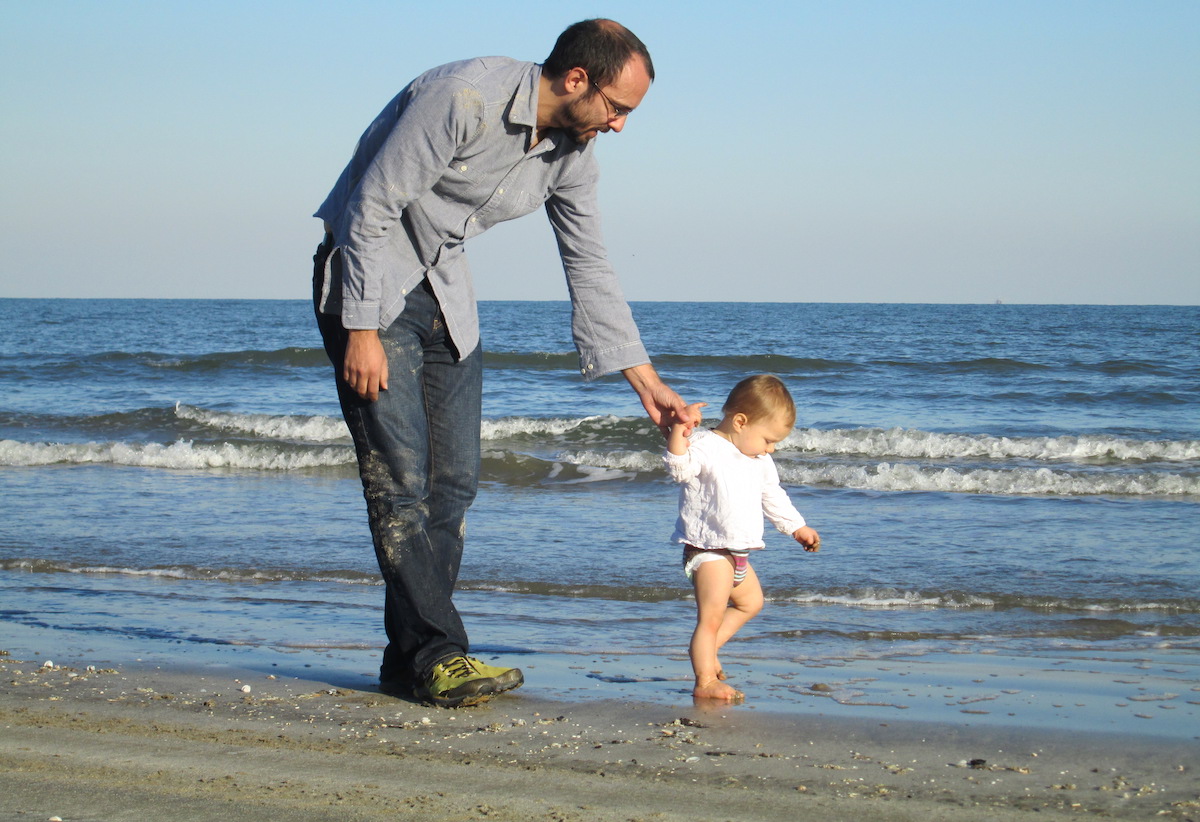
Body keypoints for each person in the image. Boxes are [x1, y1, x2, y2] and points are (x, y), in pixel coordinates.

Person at [312, 19, 697, 708]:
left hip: (445, 294)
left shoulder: (572, 157)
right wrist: (361, 326)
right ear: (577, 80)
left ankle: (408, 662)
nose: (619, 125)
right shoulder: (463, 98)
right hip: (371, 287)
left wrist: (648, 384)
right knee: (399, 484)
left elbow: (590, 267)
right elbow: (370, 205)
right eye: (618, 108)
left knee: (454, 486)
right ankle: (441, 655)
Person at [664, 375, 821, 702]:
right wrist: (679, 432)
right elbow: (679, 470)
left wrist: (797, 527)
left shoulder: (760, 460)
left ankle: (706, 650)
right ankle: (705, 680)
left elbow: (772, 496)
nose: (772, 448)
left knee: (752, 603)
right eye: (768, 439)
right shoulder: (707, 446)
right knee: (710, 618)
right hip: (709, 550)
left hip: (738, 553)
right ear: (740, 422)